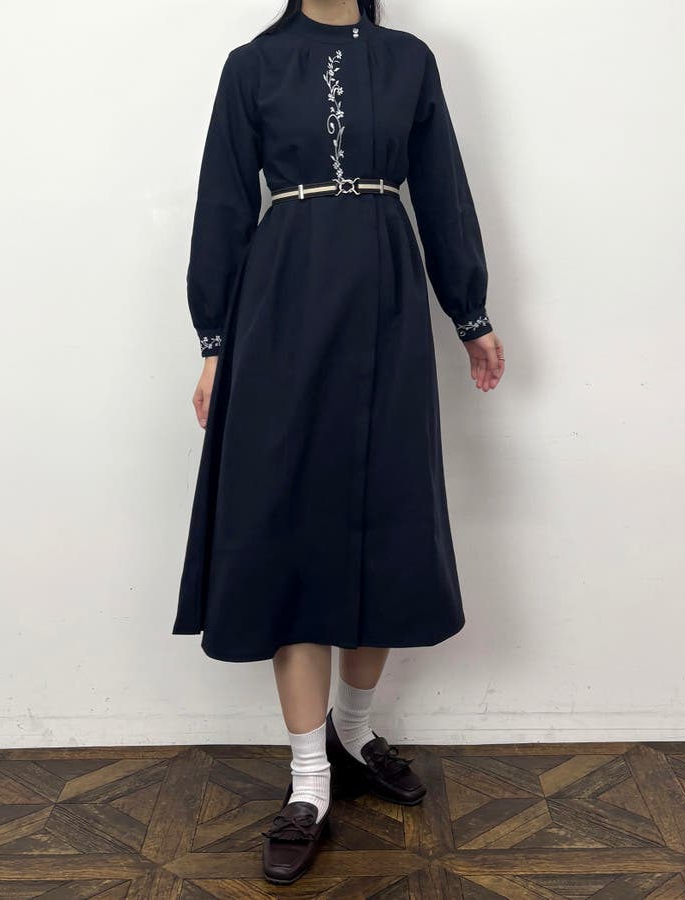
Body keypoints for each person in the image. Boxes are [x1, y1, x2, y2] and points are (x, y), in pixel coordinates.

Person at [173, 0, 505, 884]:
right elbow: (221, 202)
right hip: (281, 305)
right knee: (290, 525)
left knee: (384, 517)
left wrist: (470, 314)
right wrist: (215, 345)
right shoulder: (252, 64)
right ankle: (308, 779)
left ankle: (353, 735)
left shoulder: (409, 59)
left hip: (386, 302)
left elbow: (442, 188)